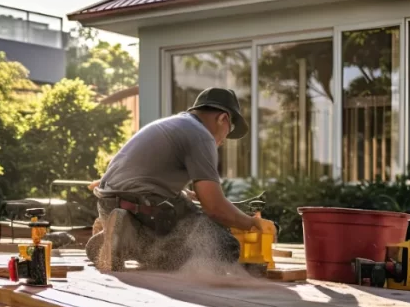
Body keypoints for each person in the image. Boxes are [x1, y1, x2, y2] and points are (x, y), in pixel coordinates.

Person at [85, 88, 274, 272]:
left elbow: (144, 178)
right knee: (224, 246)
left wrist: (184, 194)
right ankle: (132, 239)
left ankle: (116, 238)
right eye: (229, 129)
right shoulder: (201, 136)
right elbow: (215, 208)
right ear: (223, 118)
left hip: (108, 205)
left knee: (186, 208)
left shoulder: (173, 124)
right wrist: (250, 223)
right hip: (141, 207)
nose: (224, 139)